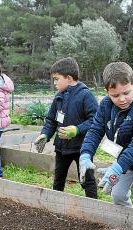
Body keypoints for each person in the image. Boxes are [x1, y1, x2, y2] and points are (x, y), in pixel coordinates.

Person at [79, 62, 133, 212]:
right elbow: (95, 130)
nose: (122, 99)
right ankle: (130, 223)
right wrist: (85, 155)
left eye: (126, 93)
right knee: (117, 195)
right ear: (107, 92)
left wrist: (118, 167)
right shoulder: (105, 105)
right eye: (115, 95)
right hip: (126, 160)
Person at [34, 57, 98, 199]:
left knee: (87, 179)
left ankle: (94, 206)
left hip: (82, 147)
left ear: (69, 78)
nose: (55, 83)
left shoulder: (86, 95)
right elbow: (51, 120)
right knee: (58, 179)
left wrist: (77, 129)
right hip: (62, 147)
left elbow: (95, 120)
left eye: (57, 79)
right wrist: (45, 134)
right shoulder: (59, 97)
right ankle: (56, 204)